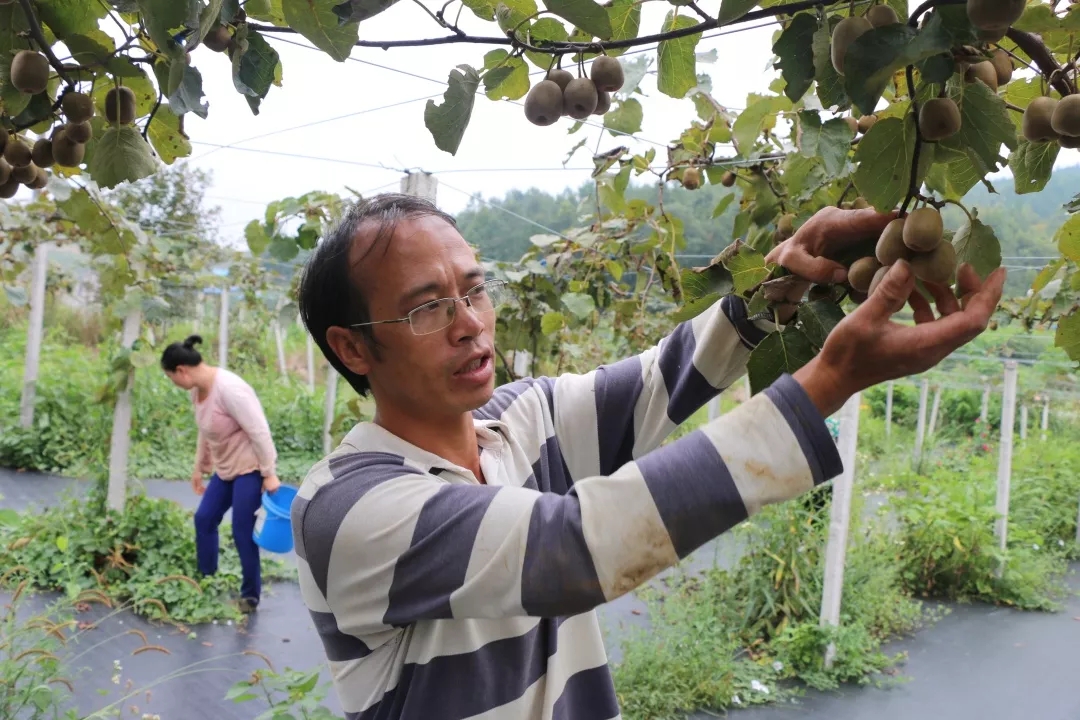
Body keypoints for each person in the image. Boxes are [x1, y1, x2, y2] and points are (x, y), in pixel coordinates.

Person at [291, 193, 1005, 719]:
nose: (471, 323)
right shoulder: (347, 507)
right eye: (426, 308)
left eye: (474, 290)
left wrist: (783, 284)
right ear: (352, 347)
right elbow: (573, 548)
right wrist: (831, 378)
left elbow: (665, 376)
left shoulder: (523, 422)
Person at [160, 334, 282, 614]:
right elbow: (206, 430)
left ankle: (250, 596)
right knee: (204, 519)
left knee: (242, 531)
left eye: (170, 378)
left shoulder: (230, 389)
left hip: (249, 468)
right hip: (225, 468)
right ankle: (207, 580)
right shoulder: (197, 390)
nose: (173, 384)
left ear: (182, 371)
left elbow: (259, 431)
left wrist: (269, 473)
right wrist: (200, 465)